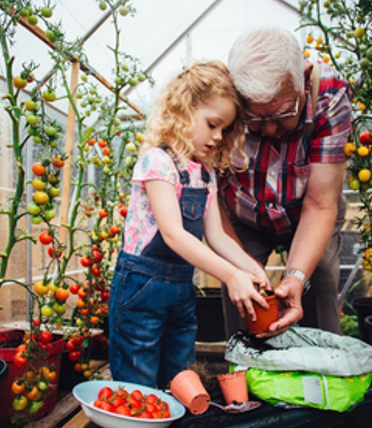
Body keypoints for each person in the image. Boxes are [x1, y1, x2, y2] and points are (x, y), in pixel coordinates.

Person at [109, 60, 271, 389]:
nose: (217, 136)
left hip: (181, 291)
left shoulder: (205, 173)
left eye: (224, 129)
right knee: (138, 379)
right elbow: (172, 234)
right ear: (184, 110)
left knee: (180, 376)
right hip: (142, 289)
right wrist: (230, 275)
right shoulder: (159, 162)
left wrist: (251, 268)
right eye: (212, 124)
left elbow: (217, 236)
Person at [218, 27, 352, 338]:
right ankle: (244, 371)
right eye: (254, 117)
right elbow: (212, 200)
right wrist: (241, 268)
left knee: (320, 279)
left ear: (304, 78)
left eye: (281, 113)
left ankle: (320, 369)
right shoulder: (220, 97)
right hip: (243, 214)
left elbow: (320, 204)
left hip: (308, 208)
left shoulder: (330, 96)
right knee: (241, 294)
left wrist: (294, 276)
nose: (267, 129)